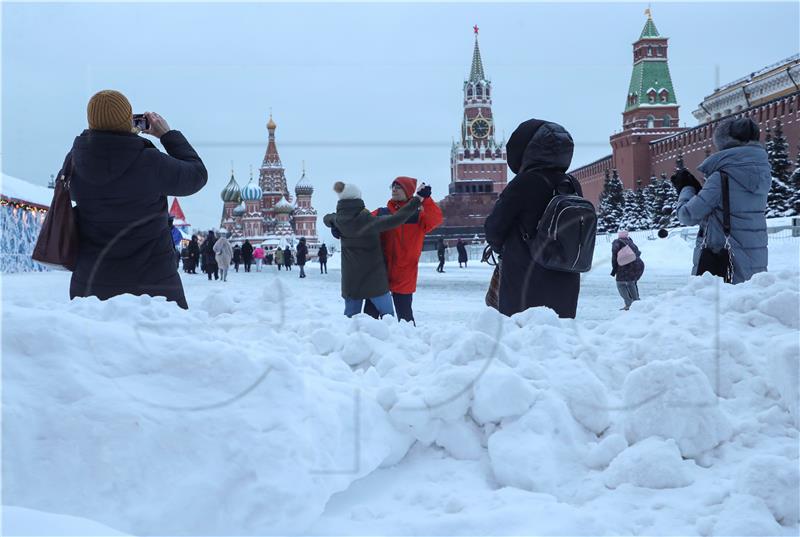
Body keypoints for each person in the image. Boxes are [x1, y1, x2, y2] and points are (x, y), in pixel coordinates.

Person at [67, 91, 207, 309]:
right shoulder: (149, 163)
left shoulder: (75, 162)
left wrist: (91, 141)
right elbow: (197, 176)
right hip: (155, 286)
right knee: (167, 341)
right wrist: (167, 135)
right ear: (128, 121)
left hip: (90, 287)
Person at [485, 119, 582, 319]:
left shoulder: (524, 182)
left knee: (522, 338)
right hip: (566, 277)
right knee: (559, 337)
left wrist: (498, 247)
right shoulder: (572, 183)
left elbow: (495, 227)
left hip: (524, 278)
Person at [672, 117, 770, 284]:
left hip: (725, 264)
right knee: (749, 307)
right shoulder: (763, 172)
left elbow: (687, 215)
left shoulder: (721, 177)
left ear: (724, 143)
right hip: (755, 263)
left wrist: (686, 188)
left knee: (724, 307)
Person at [323, 180, 424, 318]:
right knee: (388, 317)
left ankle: (351, 340)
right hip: (375, 280)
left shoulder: (338, 220)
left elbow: (326, 218)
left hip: (351, 281)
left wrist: (333, 224)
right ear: (358, 199)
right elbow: (397, 219)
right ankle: (392, 339)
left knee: (350, 320)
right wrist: (416, 200)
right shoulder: (369, 221)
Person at [363, 176, 443, 323]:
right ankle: (367, 345)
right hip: (380, 272)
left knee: (405, 318)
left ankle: (408, 345)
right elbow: (361, 225)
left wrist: (426, 199)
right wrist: (339, 227)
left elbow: (436, 219)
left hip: (404, 273)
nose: (394, 189)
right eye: (392, 186)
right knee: (370, 318)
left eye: (398, 187)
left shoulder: (418, 215)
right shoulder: (382, 213)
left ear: (408, 191)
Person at [610, 230, 645, 310]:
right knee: (631, 283)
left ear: (619, 236)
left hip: (626, 266)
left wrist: (614, 269)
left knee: (620, 284)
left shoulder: (617, 242)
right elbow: (638, 253)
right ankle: (636, 303)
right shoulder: (631, 242)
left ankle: (629, 304)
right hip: (638, 265)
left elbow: (614, 257)